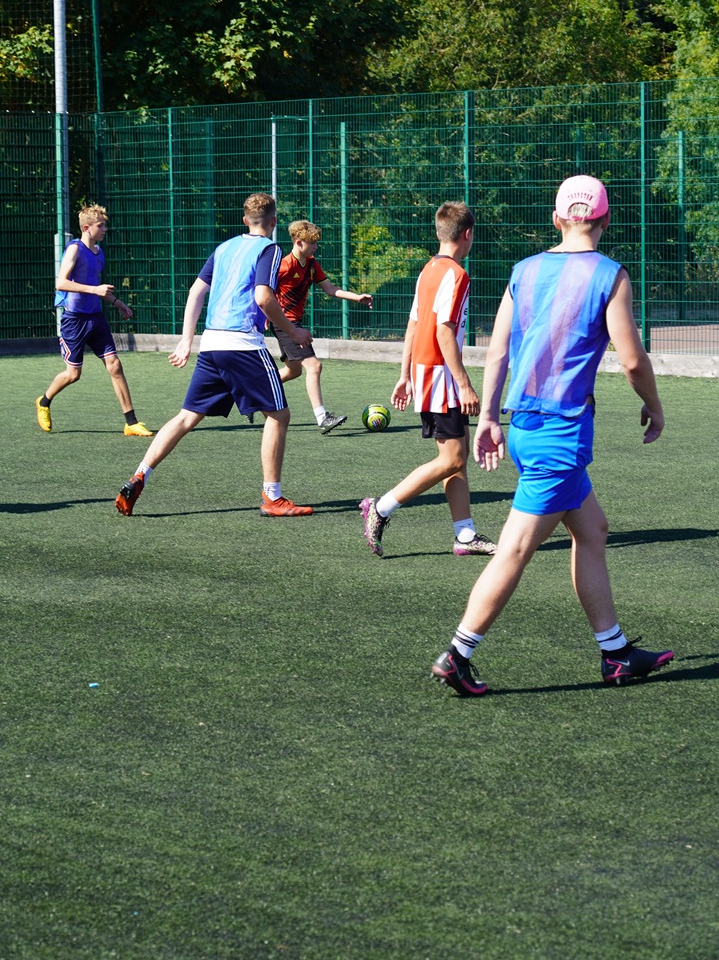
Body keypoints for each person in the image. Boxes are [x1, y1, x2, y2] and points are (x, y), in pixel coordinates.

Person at [432, 175, 674, 696]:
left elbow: (497, 352)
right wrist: (654, 406)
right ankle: (458, 653)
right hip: (559, 437)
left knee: (592, 530)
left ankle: (615, 653)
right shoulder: (611, 275)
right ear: (606, 220)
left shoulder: (525, 270)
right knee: (515, 551)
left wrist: (491, 417)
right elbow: (632, 359)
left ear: (556, 217)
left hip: (525, 427)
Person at [115, 193, 314, 518]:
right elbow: (263, 297)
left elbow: (195, 292)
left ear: (243, 220)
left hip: (211, 344)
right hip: (242, 344)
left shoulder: (223, 249)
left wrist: (185, 341)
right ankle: (272, 497)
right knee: (278, 415)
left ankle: (139, 475)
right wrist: (293, 333)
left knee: (186, 417)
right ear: (274, 222)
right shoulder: (270, 248)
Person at [359, 201, 497, 558]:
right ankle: (382, 506)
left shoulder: (427, 270)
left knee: (458, 455)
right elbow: (444, 332)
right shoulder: (457, 274)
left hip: (425, 373)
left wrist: (404, 375)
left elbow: (414, 325)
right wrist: (464, 384)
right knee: (451, 459)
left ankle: (465, 535)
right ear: (467, 235)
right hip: (441, 377)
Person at [35, 204, 153, 437]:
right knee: (73, 374)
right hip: (74, 321)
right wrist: (94, 290)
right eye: (101, 226)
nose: (105, 229)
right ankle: (44, 402)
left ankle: (131, 423)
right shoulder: (74, 250)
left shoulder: (99, 253)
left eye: (105, 225)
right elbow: (61, 283)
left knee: (115, 365)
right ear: (87, 228)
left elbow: (99, 289)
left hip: (96, 318)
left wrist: (118, 303)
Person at [272, 220, 373, 434]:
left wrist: (357, 298)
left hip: (294, 324)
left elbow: (329, 288)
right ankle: (322, 417)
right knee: (314, 366)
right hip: (286, 324)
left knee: (293, 371)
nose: (316, 247)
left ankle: (253, 389)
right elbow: (263, 291)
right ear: (299, 242)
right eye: (312, 243)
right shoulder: (284, 265)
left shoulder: (310, 264)